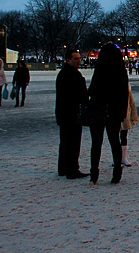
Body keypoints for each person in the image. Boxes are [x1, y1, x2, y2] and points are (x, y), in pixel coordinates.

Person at [88, 43, 129, 184]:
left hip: (99, 109)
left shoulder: (100, 69)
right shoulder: (120, 71)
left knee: (96, 144)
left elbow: (92, 90)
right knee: (115, 142)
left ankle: (94, 173)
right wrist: (122, 112)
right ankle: (116, 172)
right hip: (114, 110)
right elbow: (124, 94)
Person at [55, 50, 89, 179]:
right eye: (75, 59)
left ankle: (63, 168)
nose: (78, 61)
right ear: (68, 59)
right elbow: (79, 95)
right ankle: (72, 169)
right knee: (73, 142)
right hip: (72, 113)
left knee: (65, 142)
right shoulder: (72, 74)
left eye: (79, 58)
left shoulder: (64, 73)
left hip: (64, 113)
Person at [119, 83, 139, 167]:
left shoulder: (126, 86)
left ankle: (124, 158)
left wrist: (134, 116)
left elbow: (131, 102)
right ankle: (117, 158)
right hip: (113, 115)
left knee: (123, 136)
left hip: (125, 115)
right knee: (115, 139)